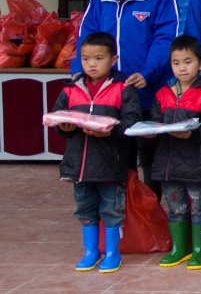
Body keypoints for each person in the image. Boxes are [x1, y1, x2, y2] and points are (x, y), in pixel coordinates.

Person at [74, 0, 178, 194]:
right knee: (119, 161)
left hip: (147, 93)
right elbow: (84, 40)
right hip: (109, 95)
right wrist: (79, 74)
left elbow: (165, 39)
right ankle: (123, 222)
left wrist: (147, 73)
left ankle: (151, 219)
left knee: (151, 162)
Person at [53, 32, 141, 274]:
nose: (91, 64)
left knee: (112, 210)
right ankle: (91, 252)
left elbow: (132, 124)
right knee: (84, 209)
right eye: (85, 59)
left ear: (114, 59)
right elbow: (59, 118)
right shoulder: (71, 89)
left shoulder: (124, 90)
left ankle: (112, 253)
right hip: (78, 166)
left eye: (98, 58)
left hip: (110, 165)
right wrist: (63, 126)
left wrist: (109, 132)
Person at [149, 35, 201, 271]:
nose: (182, 68)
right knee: (175, 207)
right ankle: (179, 248)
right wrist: (151, 131)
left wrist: (191, 134)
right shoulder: (163, 92)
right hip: (168, 163)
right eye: (176, 63)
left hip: (196, 163)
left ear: (200, 64)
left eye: (188, 62)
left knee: (199, 208)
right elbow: (154, 122)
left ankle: (200, 249)